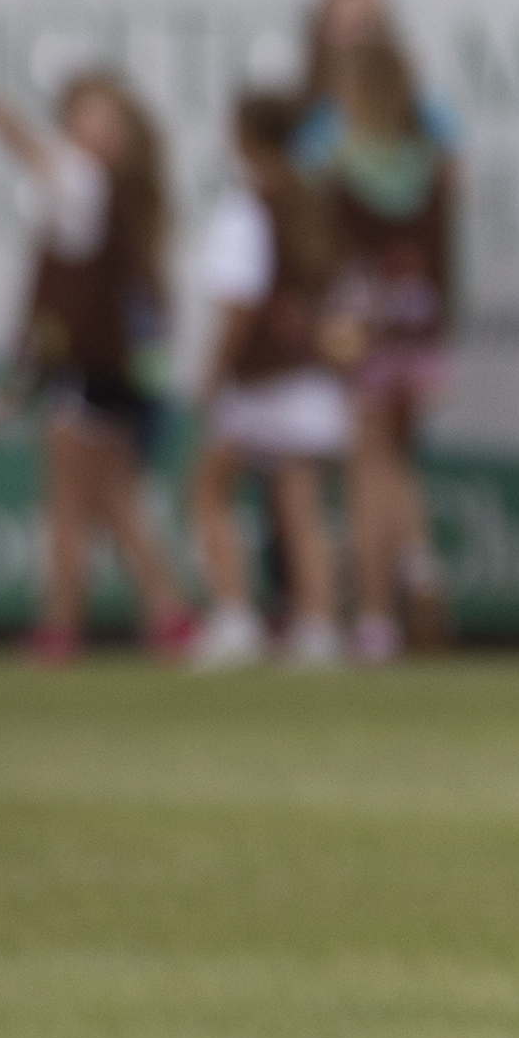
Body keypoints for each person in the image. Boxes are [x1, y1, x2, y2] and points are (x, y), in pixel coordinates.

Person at [0, 24, 191, 663]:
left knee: (71, 503)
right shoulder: (120, 195)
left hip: (88, 366)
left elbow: (13, 135)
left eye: (106, 120)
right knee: (113, 500)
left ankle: (61, 624)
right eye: (84, 119)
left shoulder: (86, 184)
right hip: (110, 367)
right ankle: (168, 614)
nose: (93, 133)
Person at [178, 87, 351, 670]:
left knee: (207, 491)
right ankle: (318, 627)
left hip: (260, 379)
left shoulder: (249, 205)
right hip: (311, 377)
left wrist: (212, 373)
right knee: (299, 504)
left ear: (245, 138)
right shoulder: (311, 201)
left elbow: (239, 303)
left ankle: (233, 616)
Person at [306, 0, 456, 668]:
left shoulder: (336, 155)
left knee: (366, 468)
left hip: (358, 320)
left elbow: (317, 246)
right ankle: (418, 564)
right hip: (417, 318)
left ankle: (373, 614)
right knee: (397, 458)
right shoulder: (428, 153)